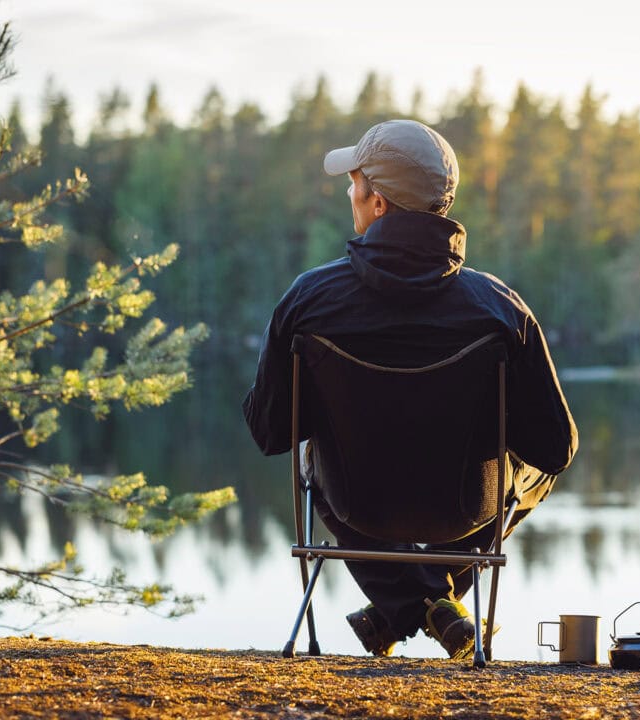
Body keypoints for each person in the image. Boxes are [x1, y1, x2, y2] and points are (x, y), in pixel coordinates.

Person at [243, 119, 577, 659]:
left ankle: (404, 603)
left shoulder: (309, 301)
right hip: (465, 509)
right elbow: (556, 449)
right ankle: (432, 598)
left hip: (357, 504)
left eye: (354, 184)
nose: (350, 195)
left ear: (376, 202)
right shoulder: (499, 310)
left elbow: (268, 431)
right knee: (533, 466)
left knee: (313, 456)